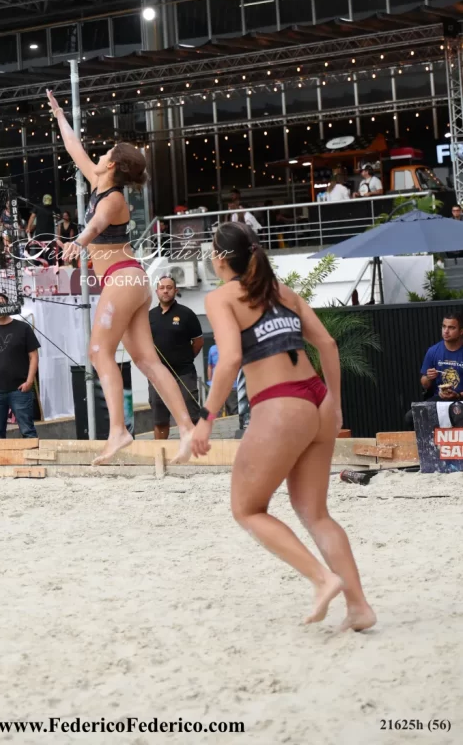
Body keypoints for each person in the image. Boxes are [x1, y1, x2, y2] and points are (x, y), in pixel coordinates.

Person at [191, 221, 375, 632]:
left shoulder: (221, 297)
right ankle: (359, 606)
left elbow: (230, 359)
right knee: (316, 513)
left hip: (280, 404)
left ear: (220, 258)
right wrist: (335, 403)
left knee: (247, 509)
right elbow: (327, 344)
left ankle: (322, 579)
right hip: (317, 399)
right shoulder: (283, 292)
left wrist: (205, 419)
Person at [48, 87, 196, 464]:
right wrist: (60, 115)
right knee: (146, 361)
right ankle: (188, 430)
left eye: (107, 152)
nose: (100, 154)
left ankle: (118, 431)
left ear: (113, 164)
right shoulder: (98, 182)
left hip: (123, 279)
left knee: (99, 351)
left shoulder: (113, 198)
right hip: (130, 281)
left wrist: (78, 242)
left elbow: (96, 225)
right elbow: (74, 148)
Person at [148, 275, 204, 437]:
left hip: (184, 373)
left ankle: (195, 448)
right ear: (157, 291)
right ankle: (160, 450)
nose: (165, 291)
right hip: (158, 375)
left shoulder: (187, 314)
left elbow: (198, 342)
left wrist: (185, 358)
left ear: (175, 290)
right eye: (162, 288)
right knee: (160, 420)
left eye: (169, 287)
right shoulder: (149, 316)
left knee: (191, 416)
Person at [0, 292, 40, 439]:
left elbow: (34, 356)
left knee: (28, 431)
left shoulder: (23, 328)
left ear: (7, 305)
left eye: (0, 303)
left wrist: (29, 382)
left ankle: (33, 455)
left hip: (20, 390)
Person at [420, 313, 463, 402]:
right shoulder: (433, 351)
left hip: (461, 398)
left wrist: (458, 395)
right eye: (444, 326)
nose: (446, 331)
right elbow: (425, 385)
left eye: (451, 328)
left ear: (461, 331)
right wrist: (428, 377)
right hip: (440, 399)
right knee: (414, 412)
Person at [207, 342, 250, 430]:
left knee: (233, 410)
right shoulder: (212, 349)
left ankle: (235, 429)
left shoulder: (233, 347)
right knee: (215, 411)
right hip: (216, 386)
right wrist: (210, 380)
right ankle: (216, 430)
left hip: (232, 386)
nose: (215, 337)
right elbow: (210, 366)